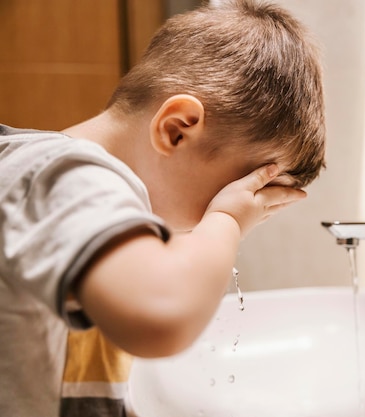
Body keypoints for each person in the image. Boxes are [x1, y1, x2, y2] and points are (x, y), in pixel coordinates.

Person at [0, 0, 326, 416]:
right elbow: (162, 315)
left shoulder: (61, 183)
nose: (238, 209)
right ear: (176, 130)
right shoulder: (68, 176)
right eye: (239, 188)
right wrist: (226, 220)